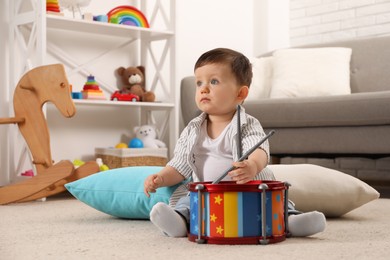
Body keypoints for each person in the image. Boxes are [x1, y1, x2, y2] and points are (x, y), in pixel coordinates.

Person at [144, 48, 326, 238]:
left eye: (214, 81)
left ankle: (291, 221)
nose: (204, 88)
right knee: (188, 202)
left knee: (275, 202)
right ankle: (179, 222)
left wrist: (253, 165)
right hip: (207, 193)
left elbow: (259, 148)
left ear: (240, 93)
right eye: (199, 83)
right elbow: (179, 165)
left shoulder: (247, 123)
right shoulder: (192, 129)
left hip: (251, 189)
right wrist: (161, 178)